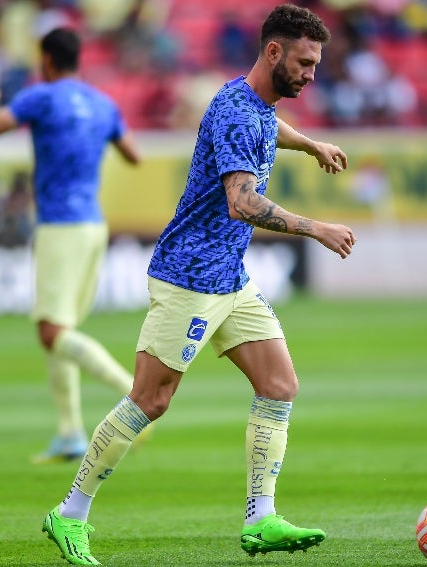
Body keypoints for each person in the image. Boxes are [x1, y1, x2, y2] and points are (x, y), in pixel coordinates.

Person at [40, 5, 357, 566]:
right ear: (274, 53)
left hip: (229, 278)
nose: (311, 74)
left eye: (316, 65)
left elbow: (267, 128)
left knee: (280, 385)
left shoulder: (255, 104)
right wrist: (315, 228)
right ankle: (69, 515)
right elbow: (241, 202)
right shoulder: (236, 111)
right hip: (189, 278)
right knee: (150, 400)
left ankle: (260, 519)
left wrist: (309, 144)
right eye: (305, 63)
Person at [0, 27, 145, 463]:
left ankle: (137, 397)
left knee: (52, 331)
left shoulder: (40, 97)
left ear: (46, 60)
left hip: (59, 228)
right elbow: (134, 154)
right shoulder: (103, 104)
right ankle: (69, 433)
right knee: (60, 326)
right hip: (93, 226)